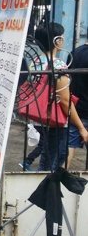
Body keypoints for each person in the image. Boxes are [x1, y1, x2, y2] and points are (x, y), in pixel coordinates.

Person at [31, 24, 88, 171]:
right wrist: (81, 128)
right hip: (56, 119)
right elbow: (65, 100)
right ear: (57, 41)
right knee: (54, 161)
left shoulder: (36, 62)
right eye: (61, 37)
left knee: (47, 158)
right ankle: (46, 191)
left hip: (40, 117)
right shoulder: (58, 65)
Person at [68, 42, 88, 165]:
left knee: (68, 149)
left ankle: (58, 178)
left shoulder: (75, 52)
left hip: (74, 108)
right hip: (85, 108)